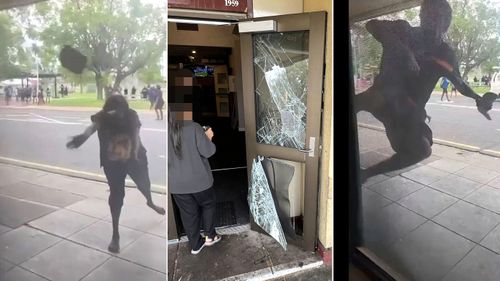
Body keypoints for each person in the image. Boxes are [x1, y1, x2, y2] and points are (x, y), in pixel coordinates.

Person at [355, 0, 496, 183]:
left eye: (437, 18)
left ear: (445, 23)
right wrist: (404, 51)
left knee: (422, 149)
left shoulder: (445, 53)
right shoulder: (405, 31)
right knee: (355, 102)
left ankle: (365, 175)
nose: (430, 21)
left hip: (407, 112)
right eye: (426, 15)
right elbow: (372, 25)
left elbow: (459, 83)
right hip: (382, 97)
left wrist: (478, 98)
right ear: (421, 17)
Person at [66, 95, 165, 253]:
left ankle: (150, 201)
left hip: (134, 158)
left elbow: (136, 136)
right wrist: (81, 138)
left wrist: (134, 155)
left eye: (118, 111)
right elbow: (90, 129)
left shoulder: (131, 115)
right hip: (112, 162)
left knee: (144, 185)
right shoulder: (102, 116)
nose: (115, 114)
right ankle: (115, 235)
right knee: (117, 195)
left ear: (124, 109)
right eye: (111, 111)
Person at [168, 108, 221, 254]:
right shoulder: (193, 127)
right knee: (208, 205)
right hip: (200, 181)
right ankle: (210, 236)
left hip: (176, 184)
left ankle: (196, 245)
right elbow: (208, 151)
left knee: (187, 213)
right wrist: (208, 136)